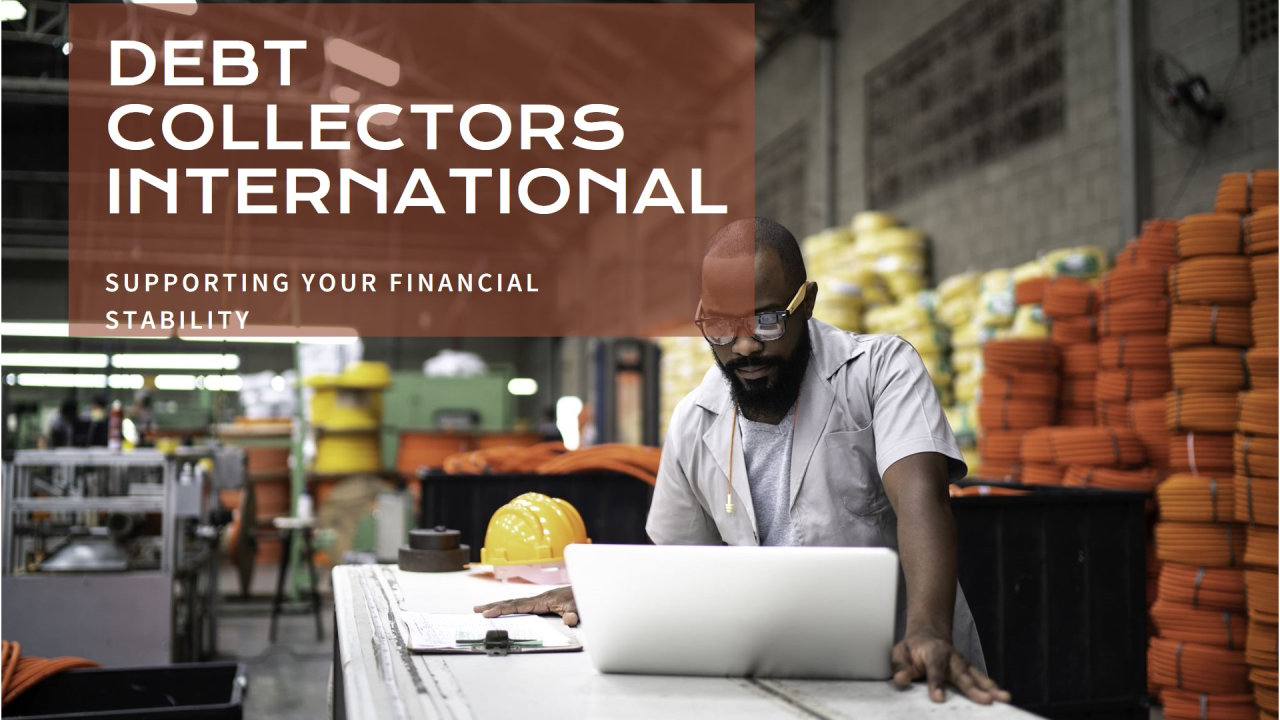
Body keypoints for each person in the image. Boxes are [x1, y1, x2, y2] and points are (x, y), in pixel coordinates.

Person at [476, 218, 1009, 705]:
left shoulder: (879, 371)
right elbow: (683, 568)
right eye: (721, 326)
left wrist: (928, 632)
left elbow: (922, 502)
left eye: (768, 320)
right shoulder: (695, 421)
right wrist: (602, 595)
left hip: (907, 672)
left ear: (808, 302)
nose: (745, 346)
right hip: (774, 682)